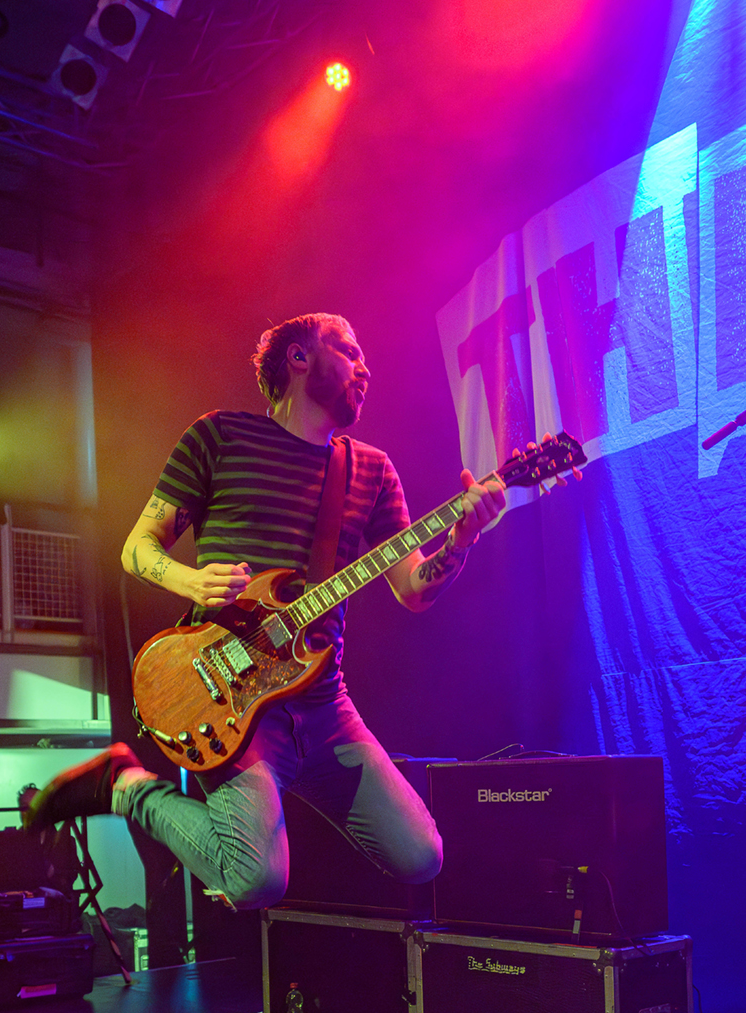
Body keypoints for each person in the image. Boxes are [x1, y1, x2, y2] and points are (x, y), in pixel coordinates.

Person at [27, 313, 506, 909]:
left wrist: (461, 541)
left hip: (323, 704)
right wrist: (192, 581)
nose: (365, 367)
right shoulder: (218, 437)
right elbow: (137, 549)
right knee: (255, 880)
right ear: (300, 358)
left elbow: (411, 589)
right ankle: (124, 786)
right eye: (349, 351)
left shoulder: (372, 470)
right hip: (231, 696)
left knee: (420, 856)